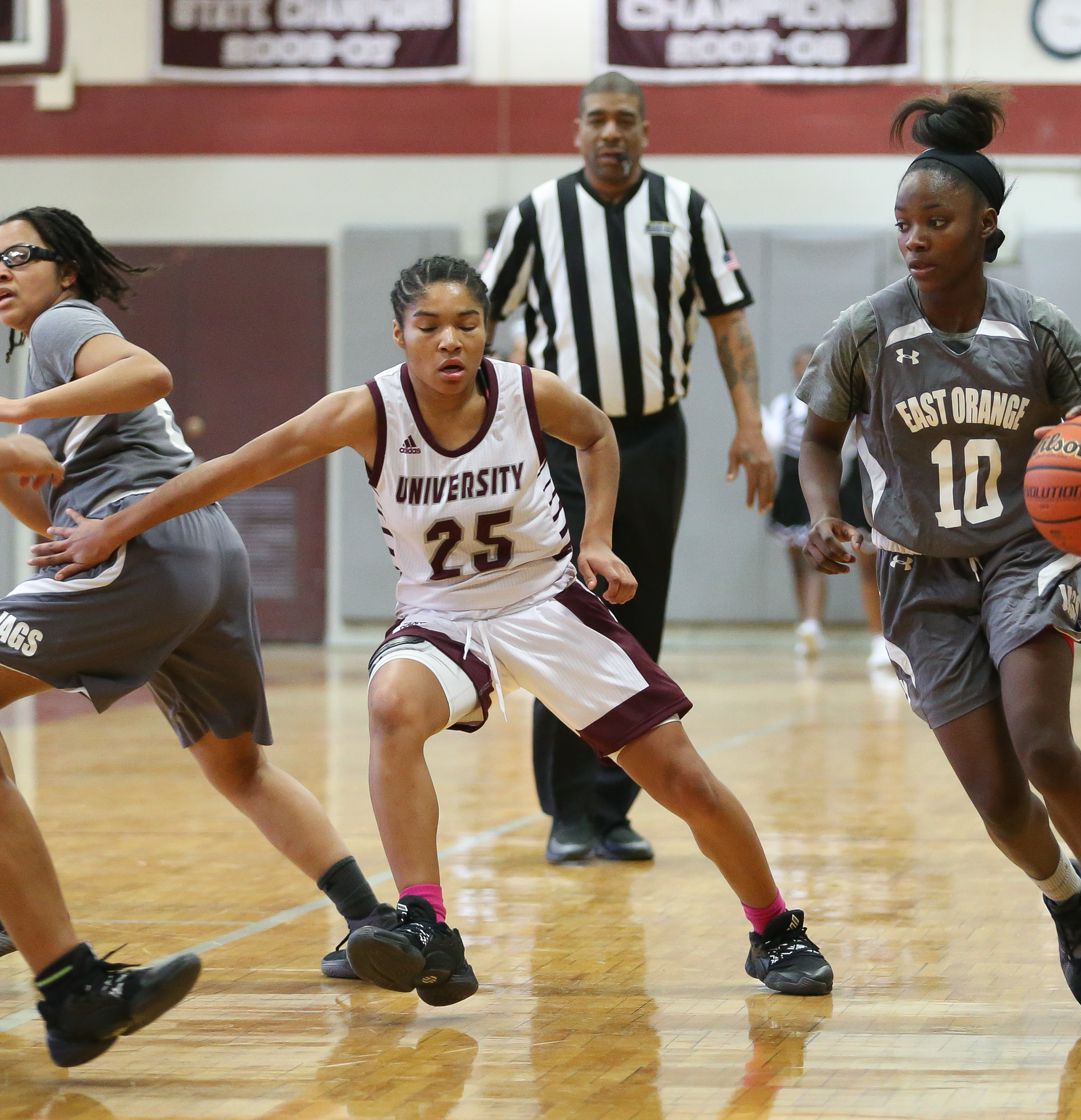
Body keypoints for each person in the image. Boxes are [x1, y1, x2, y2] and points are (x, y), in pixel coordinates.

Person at [33, 255, 834, 1008]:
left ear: (487, 331)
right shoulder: (366, 410)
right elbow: (237, 465)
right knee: (392, 705)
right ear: (400, 334)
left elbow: (597, 433)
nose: (450, 339)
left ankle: (775, 930)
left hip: (544, 599)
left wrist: (598, 536)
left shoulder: (529, 392)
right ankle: (425, 923)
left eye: (467, 323)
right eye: (429, 324)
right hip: (441, 615)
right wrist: (115, 527)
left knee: (683, 780)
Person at [797, 89, 1081, 1026]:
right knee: (996, 795)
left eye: (936, 221)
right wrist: (824, 514)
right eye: (903, 223)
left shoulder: (1040, 330)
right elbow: (816, 440)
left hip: (1026, 556)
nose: (915, 238)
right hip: (916, 575)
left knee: (1044, 743)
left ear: (987, 227)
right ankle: (1070, 905)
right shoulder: (866, 330)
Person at [0, 208, 391, 1066]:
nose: (2, 269)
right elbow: (50, 500)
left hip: (142, 546)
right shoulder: (59, 376)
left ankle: (68, 983)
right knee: (237, 765)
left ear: (66, 271)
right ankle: (372, 920)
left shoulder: (61, 328)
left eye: (18, 254)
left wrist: (19, 407)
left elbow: (149, 374)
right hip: (206, 550)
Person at [480, 71, 775, 866]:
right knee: (567, 615)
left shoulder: (685, 211)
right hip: (560, 445)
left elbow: (728, 321)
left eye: (625, 121)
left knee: (637, 621)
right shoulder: (539, 213)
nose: (611, 133)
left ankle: (615, 810)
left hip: (653, 438)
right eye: (598, 121)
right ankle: (568, 812)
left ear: (646, 131)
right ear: (577, 131)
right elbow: (479, 312)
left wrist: (751, 424)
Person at [764, 343, 884, 664]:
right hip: (793, 485)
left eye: (809, 365)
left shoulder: (842, 403)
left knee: (857, 561)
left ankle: (873, 636)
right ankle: (809, 622)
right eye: (799, 366)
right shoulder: (784, 405)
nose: (804, 371)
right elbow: (777, 438)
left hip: (842, 484)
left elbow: (840, 448)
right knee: (800, 557)